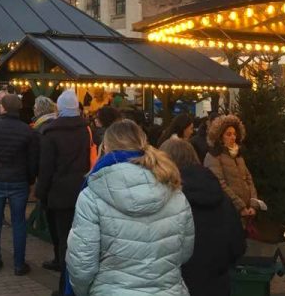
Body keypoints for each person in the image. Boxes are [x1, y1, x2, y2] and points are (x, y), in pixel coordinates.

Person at [66, 120, 195, 296]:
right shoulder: (175, 192)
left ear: (106, 148)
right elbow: (184, 252)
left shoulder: (92, 195)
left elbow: (82, 265)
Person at [160, 138, 246, 296]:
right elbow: (238, 246)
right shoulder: (222, 197)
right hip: (217, 285)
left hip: (176, 285)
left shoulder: (165, 201)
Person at [36, 89, 91, 290]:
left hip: (58, 194)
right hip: (82, 191)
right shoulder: (85, 130)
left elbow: (46, 168)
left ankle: (64, 283)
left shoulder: (51, 133)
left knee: (62, 237)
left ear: (59, 109)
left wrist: (41, 193)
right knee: (79, 237)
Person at [0, 94, 39, 276]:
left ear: (3, 108)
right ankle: (18, 264)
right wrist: (30, 179)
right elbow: (33, 160)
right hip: (19, 180)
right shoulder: (28, 131)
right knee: (19, 223)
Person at [204, 114, 259, 223]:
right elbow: (220, 183)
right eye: (228, 134)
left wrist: (253, 204)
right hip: (227, 211)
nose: (233, 137)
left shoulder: (238, 155)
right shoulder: (214, 156)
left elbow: (249, 179)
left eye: (234, 134)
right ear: (220, 137)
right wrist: (240, 206)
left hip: (246, 210)